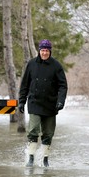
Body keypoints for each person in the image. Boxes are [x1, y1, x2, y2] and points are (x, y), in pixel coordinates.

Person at [18, 39, 68, 167]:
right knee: (33, 130)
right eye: (42, 50)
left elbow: (63, 86)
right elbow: (25, 84)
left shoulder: (56, 66)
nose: (44, 53)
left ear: (50, 51)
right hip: (34, 102)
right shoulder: (31, 64)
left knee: (48, 133)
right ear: (39, 51)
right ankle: (30, 158)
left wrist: (60, 101)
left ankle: (45, 159)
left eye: (46, 50)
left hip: (51, 104)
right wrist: (22, 101)